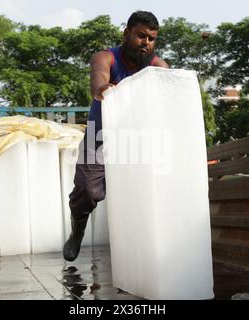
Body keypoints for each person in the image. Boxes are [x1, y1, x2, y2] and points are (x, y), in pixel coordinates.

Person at [63, 11, 169, 261]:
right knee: (86, 191)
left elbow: (169, 90)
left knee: (144, 194)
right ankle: (77, 231)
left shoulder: (157, 66)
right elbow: (98, 82)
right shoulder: (106, 57)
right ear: (126, 33)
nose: (146, 43)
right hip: (98, 137)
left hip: (137, 140)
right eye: (141, 36)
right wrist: (103, 88)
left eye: (152, 39)